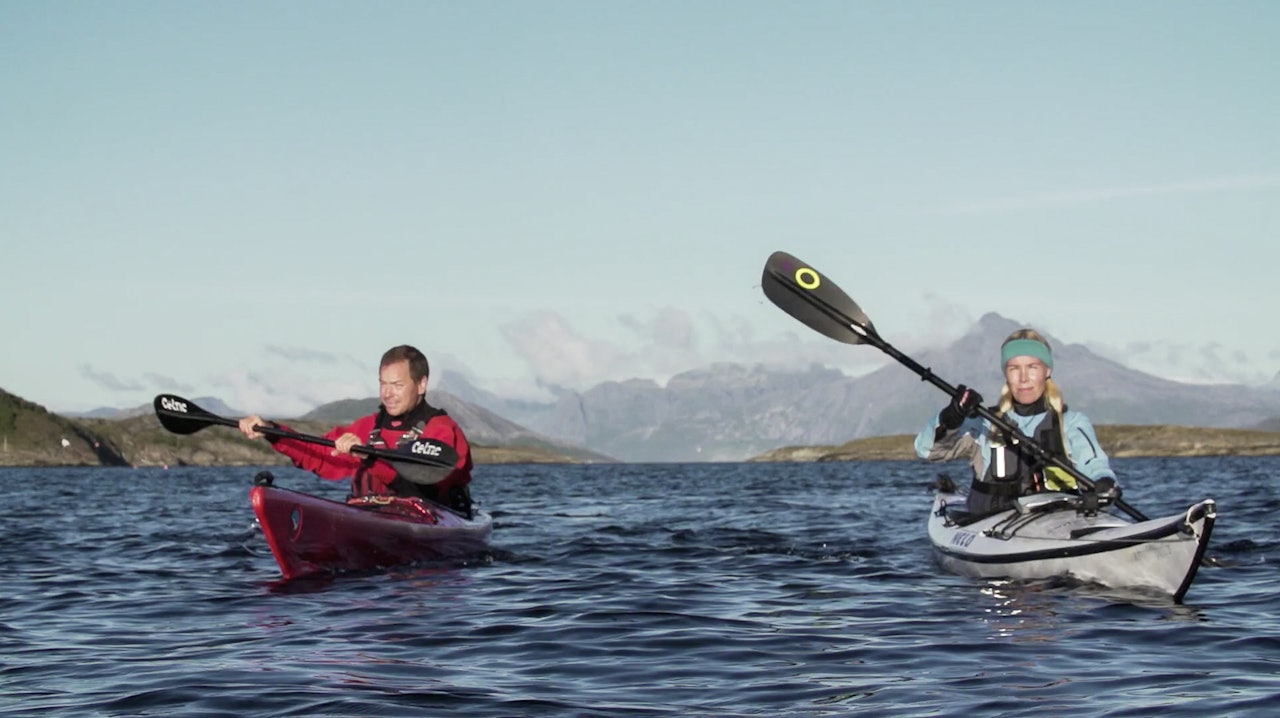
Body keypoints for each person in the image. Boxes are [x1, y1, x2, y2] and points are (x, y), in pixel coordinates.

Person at [238, 344, 474, 516]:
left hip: (430, 521)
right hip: (373, 517)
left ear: (421, 384)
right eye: (383, 384)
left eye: (397, 385)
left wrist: (369, 458)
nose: (387, 393)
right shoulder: (367, 428)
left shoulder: (442, 430)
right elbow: (317, 454)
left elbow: (426, 488)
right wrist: (271, 431)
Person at [914, 328, 1119, 515]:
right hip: (990, 524)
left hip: (1056, 520)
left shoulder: (1072, 423)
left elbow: (1094, 464)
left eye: (1032, 367)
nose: (1023, 378)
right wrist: (951, 418)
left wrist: (1103, 482)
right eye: (1014, 368)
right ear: (1006, 373)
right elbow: (927, 451)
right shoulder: (984, 424)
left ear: (1047, 371)